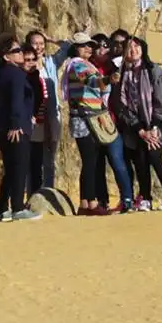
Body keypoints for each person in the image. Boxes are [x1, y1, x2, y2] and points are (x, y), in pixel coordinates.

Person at [61, 33, 133, 216]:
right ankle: (90, 204)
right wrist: (108, 79)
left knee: (90, 162)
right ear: (75, 48)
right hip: (85, 119)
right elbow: (91, 81)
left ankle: (86, 202)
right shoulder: (77, 64)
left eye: (89, 45)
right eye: (83, 45)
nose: (88, 48)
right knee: (90, 162)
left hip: (88, 118)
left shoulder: (83, 63)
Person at [117, 36, 162, 212]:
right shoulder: (123, 74)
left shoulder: (153, 70)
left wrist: (153, 128)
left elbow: (161, 102)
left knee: (154, 154)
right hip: (139, 123)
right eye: (129, 48)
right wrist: (140, 130)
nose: (133, 50)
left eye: (137, 46)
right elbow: (122, 106)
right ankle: (145, 198)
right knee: (140, 156)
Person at [0, 35, 42, 222]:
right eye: (16, 51)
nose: (21, 53)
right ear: (7, 57)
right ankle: (18, 209)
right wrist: (15, 124)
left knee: (11, 168)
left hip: (1, 127)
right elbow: (16, 101)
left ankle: (2, 208)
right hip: (16, 128)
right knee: (19, 167)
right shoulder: (16, 74)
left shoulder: (3, 73)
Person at [89, 33, 133, 213]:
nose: (101, 49)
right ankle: (102, 201)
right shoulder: (86, 67)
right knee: (97, 163)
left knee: (117, 161)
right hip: (92, 122)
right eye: (97, 46)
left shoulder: (115, 66)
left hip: (112, 123)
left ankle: (127, 199)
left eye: (105, 45)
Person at [24, 30, 70, 188]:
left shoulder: (51, 62)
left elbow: (68, 47)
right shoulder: (25, 64)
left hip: (52, 116)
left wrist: (50, 39)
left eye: (41, 43)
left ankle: (48, 192)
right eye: (35, 43)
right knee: (34, 160)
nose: (39, 46)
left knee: (49, 159)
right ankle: (33, 194)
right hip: (33, 118)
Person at [22, 42, 57, 198]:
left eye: (33, 60)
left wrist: (49, 130)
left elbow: (50, 107)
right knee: (26, 166)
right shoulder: (18, 80)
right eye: (26, 60)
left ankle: (37, 198)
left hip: (40, 128)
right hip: (23, 129)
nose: (30, 63)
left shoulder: (45, 82)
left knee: (39, 164)